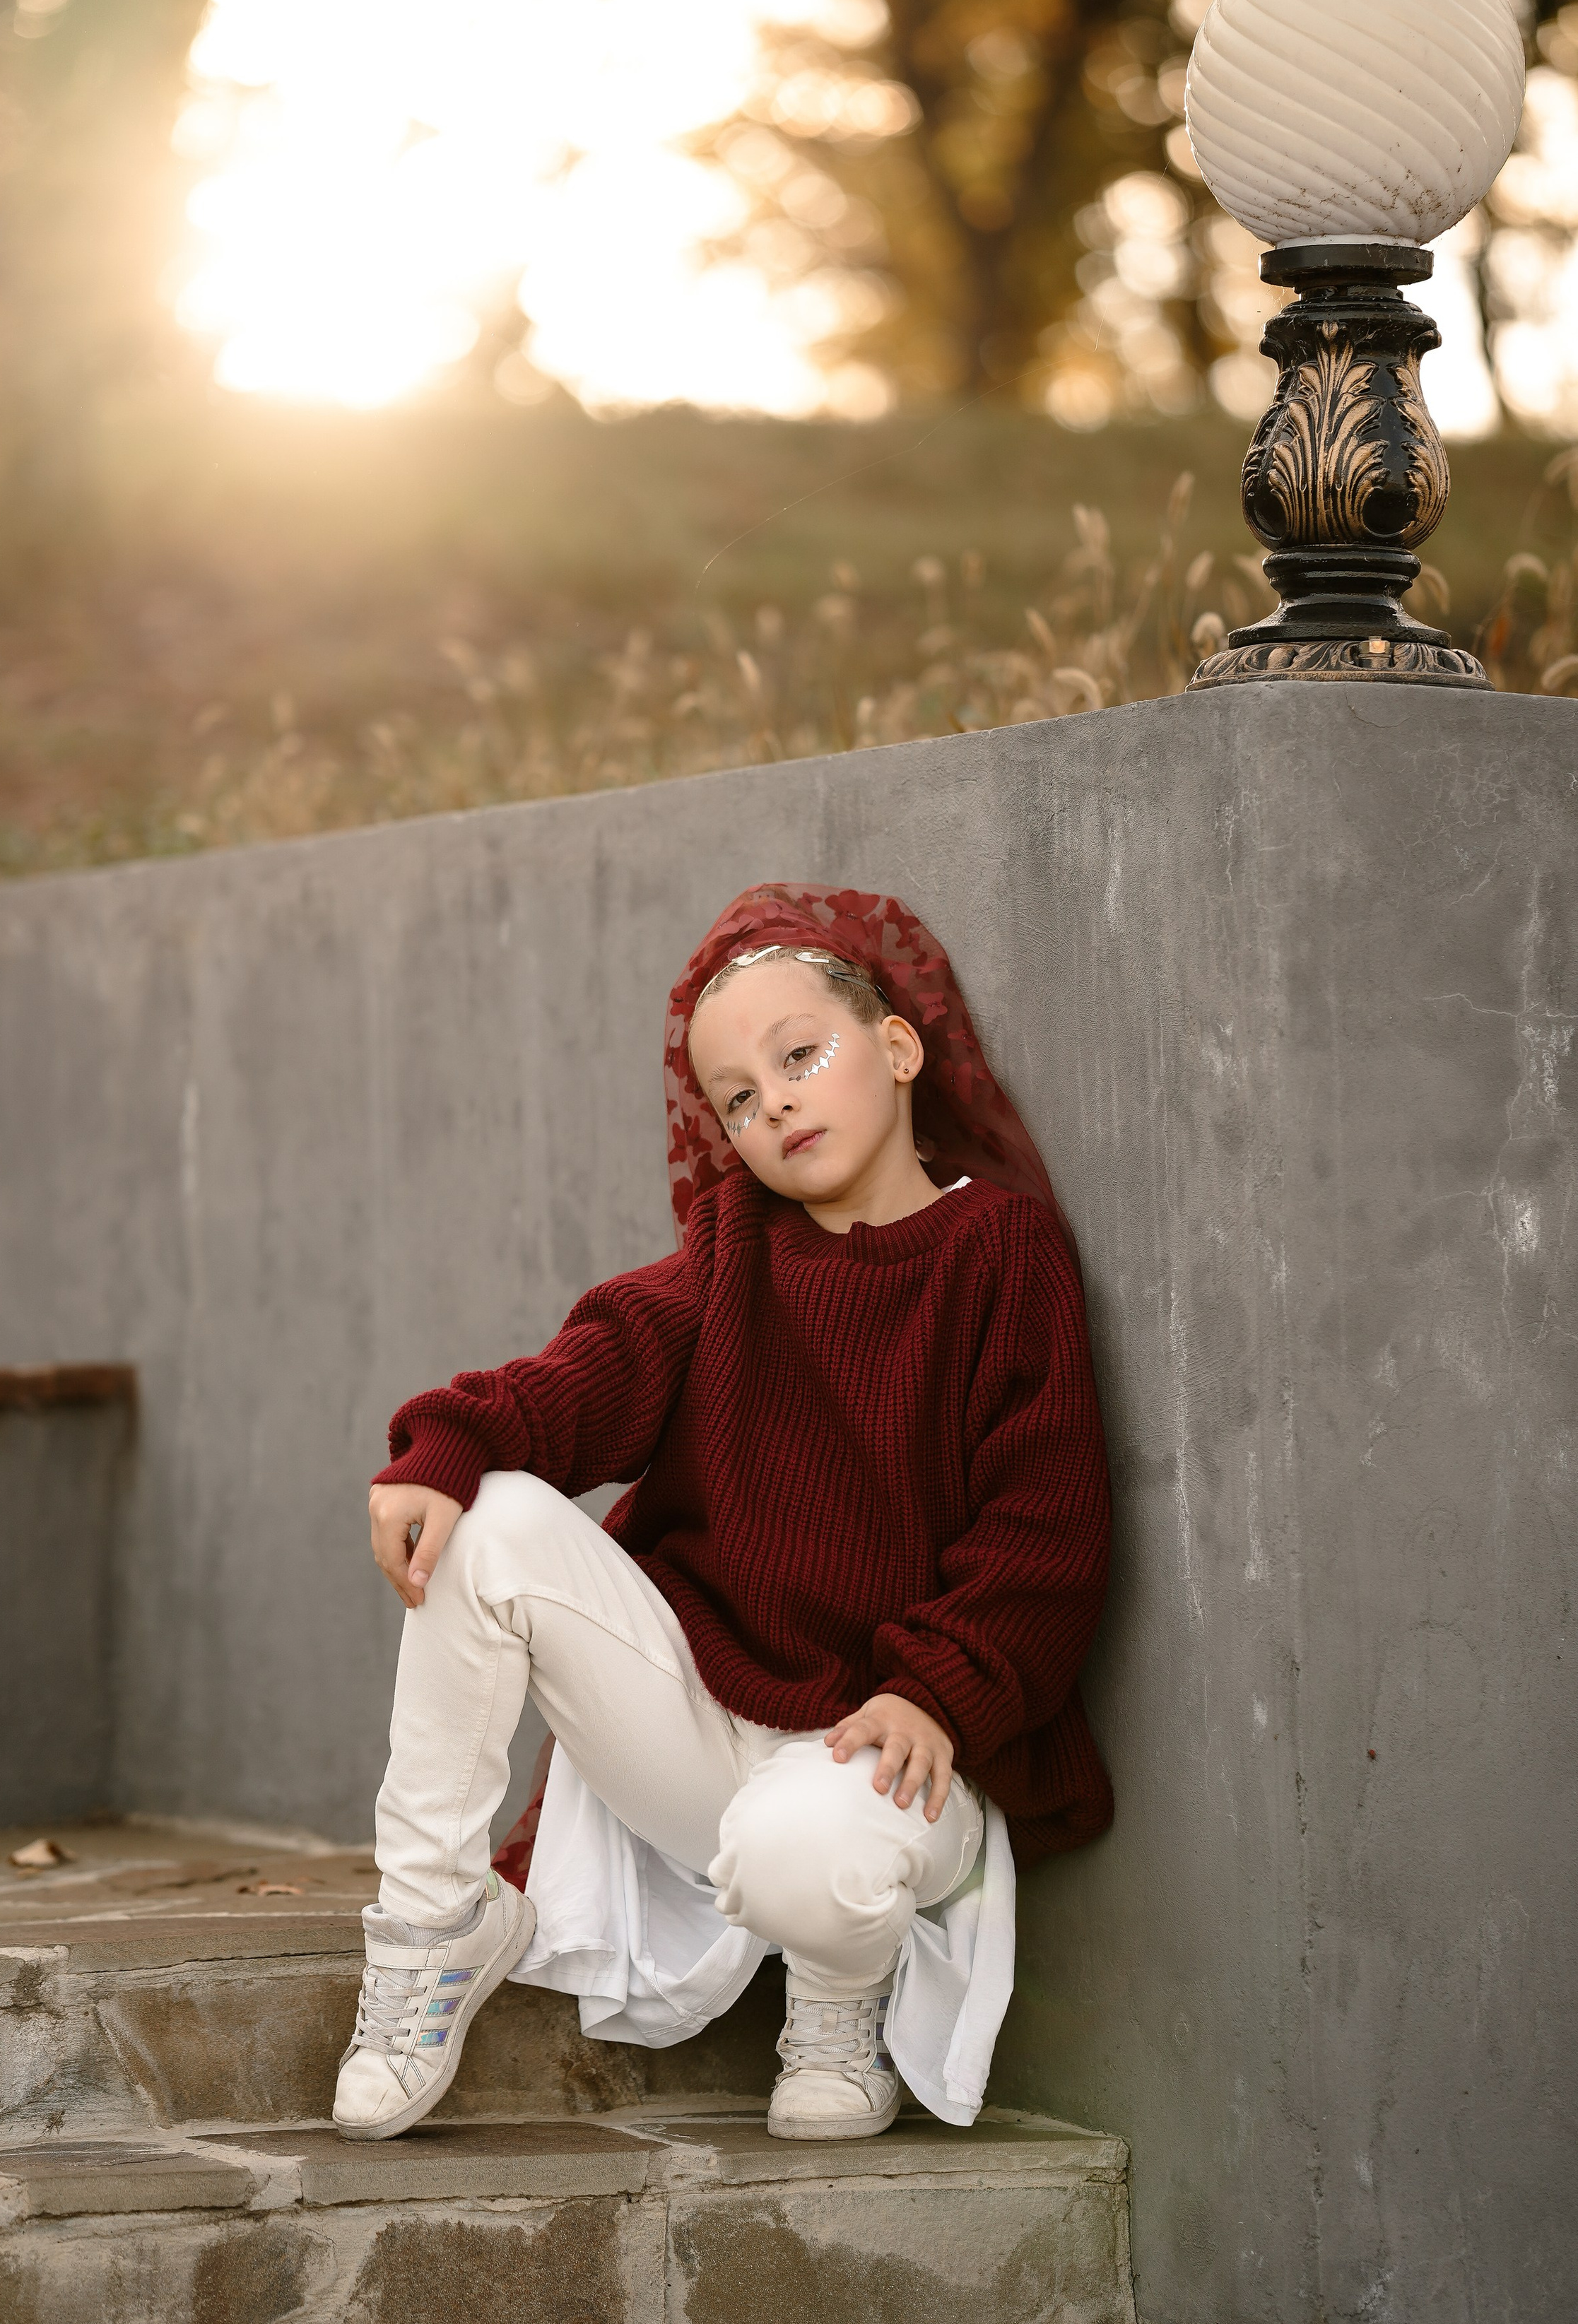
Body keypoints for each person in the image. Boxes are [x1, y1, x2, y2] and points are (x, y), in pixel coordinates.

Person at [336, 883, 1112, 2145]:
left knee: (808, 1843)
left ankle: (840, 2012)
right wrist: (447, 1446)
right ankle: (435, 1923)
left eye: (800, 1056)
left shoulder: (1005, 1253)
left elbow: (1048, 1528)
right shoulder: (733, 1245)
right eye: (740, 1099)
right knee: (492, 1518)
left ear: (900, 1049)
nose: (776, 1104)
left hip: (894, 1752)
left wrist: (936, 1690)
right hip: (704, 1730)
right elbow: (597, 1363)